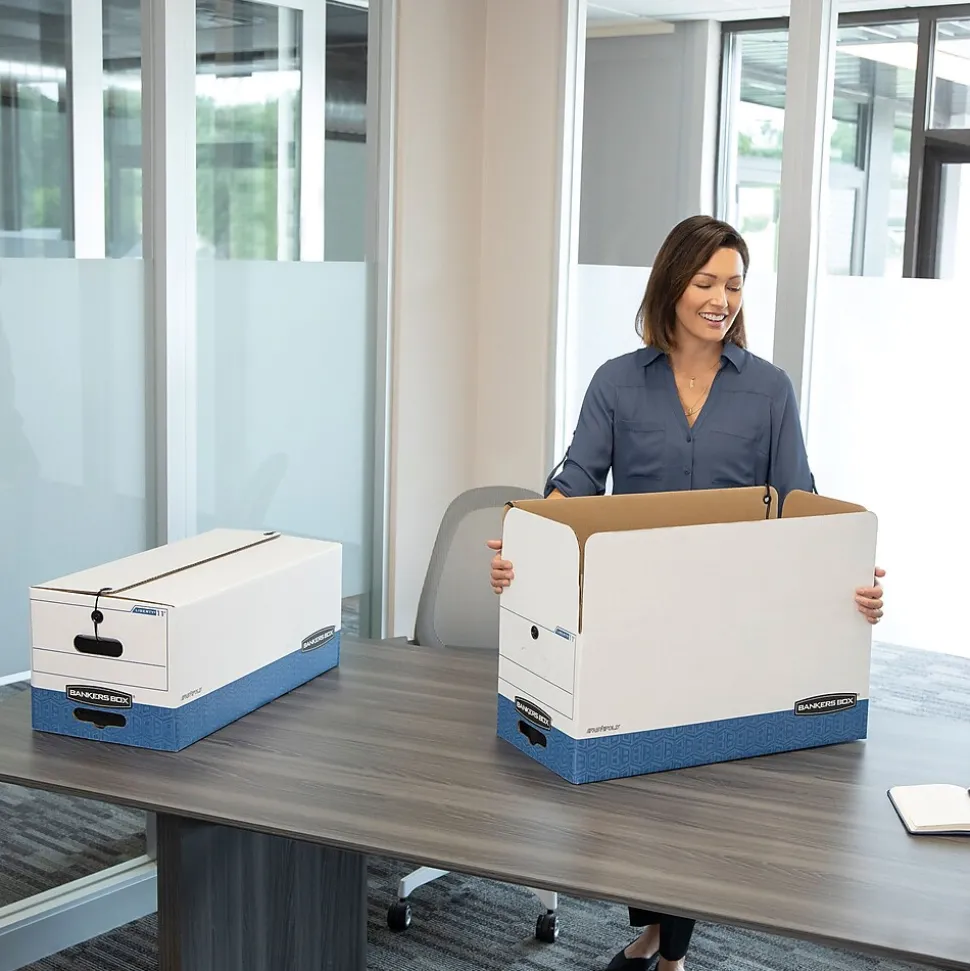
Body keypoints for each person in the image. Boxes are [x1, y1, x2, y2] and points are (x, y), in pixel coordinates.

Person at [487, 214, 885, 971]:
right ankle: (654, 930)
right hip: (632, 611)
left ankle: (669, 951)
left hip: (733, 616)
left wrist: (852, 578)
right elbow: (575, 485)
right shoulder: (617, 381)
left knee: (696, 784)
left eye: (734, 284)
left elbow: (801, 504)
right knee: (633, 784)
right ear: (672, 285)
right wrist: (525, 548)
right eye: (706, 282)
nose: (721, 299)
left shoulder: (768, 389)